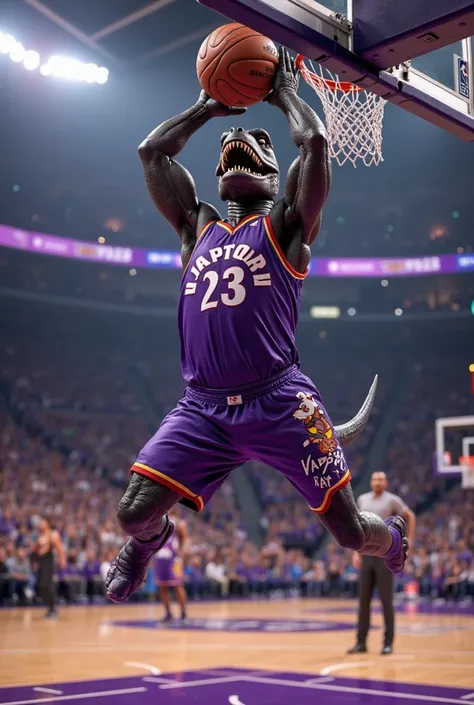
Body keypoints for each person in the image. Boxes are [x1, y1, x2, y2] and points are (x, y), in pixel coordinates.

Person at [105, 47, 409, 604]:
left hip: (280, 401)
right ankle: (151, 544)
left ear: (275, 178)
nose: (237, 148)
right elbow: (152, 152)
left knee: (346, 532)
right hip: (203, 406)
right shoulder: (198, 227)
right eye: (228, 149)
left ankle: (389, 537)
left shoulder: (287, 225)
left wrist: (284, 94)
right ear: (219, 178)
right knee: (131, 517)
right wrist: (205, 109)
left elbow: (315, 144)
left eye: (258, 146)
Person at [347, 471, 416, 655]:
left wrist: (409, 540)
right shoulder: (362, 499)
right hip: (365, 554)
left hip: (386, 555)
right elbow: (356, 527)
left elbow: (409, 516)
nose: (378, 482)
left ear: (386, 483)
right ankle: (361, 643)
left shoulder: (392, 500)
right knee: (363, 602)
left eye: (381, 479)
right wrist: (355, 552)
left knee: (386, 601)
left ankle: (388, 643)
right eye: (375, 479)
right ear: (371, 482)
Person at [154, 515, 188, 621]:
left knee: (177, 585)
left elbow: (185, 538)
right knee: (162, 586)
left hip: (173, 559)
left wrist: (181, 553)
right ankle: (168, 613)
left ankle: (183, 613)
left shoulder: (176, 521)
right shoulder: (153, 520)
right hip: (160, 557)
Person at [31, 517, 66, 618]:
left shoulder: (52, 534)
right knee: (40, 587)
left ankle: (53, 607)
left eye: (42, 522)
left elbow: (60, 549)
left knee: (47, 585)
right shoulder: (40, 535)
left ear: (47, 523)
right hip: (41, 562)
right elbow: (37, 551)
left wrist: (62, 561)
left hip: (48, 561)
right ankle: (50, 607)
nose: (40, 524)